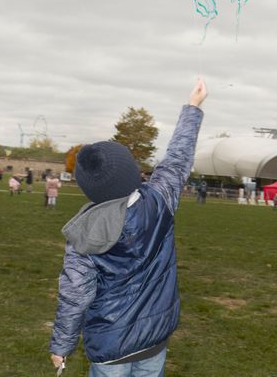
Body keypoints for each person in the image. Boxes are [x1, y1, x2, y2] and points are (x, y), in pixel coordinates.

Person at [50, 78, 207, 377]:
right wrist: (192, 107)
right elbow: (177, 158)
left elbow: (75, 296)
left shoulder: (84, 233)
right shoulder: (159, 199)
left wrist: (62, 344)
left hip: (113, 345)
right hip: (153, 337)